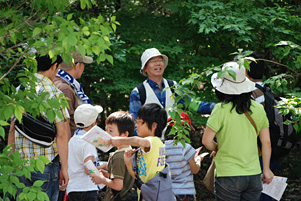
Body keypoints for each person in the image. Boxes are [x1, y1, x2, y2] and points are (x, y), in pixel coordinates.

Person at [202, 62, 274, 201]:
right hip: (253, 174)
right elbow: (266, 142)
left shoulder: (220, 109)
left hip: (227, 175)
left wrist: (218, 148)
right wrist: (266, 169)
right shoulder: (258, 109)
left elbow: (206, 141)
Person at [8, 55, 70, 201]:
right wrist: (65, 168)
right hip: (45, 165)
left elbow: (13, 128)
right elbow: (61, 135)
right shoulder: (54, 93)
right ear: (54, 66)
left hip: (21, 165)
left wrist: (11, 160)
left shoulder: (20, 89)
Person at [129, 48, 216, 136]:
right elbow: (135, 125)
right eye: (152, 61)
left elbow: (193, 105)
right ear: (145, 68)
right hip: (150, 145)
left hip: (174, 142)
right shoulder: (139, 92)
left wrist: (219, 108)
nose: (158, 63)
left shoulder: (173, 86)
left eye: (160, 60)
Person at [235, 51, 280, 201]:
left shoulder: (248, 93)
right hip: (272, 150)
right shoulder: (267, 91)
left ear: (245, 71)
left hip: (256, 154)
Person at [110, 103, 169, 199]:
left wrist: (119, 140)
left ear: (154, 125)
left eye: (140, 122)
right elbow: (136, 176)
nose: (136, 124)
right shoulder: (148, 147)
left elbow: (137, 141)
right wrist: (128, 161)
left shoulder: (154, 141)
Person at [89, 111, 136, 201]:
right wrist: (108, 175)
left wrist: (101, 179)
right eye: (106, 130)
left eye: (110, 131)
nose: (107, 134)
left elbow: (118, 186)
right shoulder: (130, 152)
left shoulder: (118, 156)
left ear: (125, 134)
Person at [53, 47, 93, 140]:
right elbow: (68, 123)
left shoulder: (55, 80)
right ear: (77, 66)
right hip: (68, 144)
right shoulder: (65, 88)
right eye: (83, 64)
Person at [164, 112, 205, 201]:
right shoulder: (186, 148)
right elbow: (195, 170)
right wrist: (198, 159)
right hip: (185, 193)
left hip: (166, 192)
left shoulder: (161, 147)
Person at [66, 104, 103, 201]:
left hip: (73, 188)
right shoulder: (88, 142)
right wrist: (104, 167)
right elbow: (88, 168)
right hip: (87, 188)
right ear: (93, 123)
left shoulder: (72, 140)